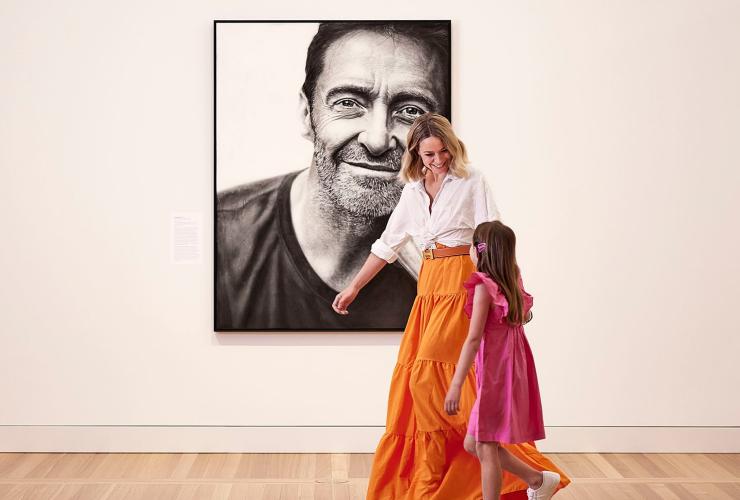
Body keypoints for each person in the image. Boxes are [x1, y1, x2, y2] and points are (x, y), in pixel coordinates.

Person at [333, 113, 569, 499]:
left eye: (443, 151)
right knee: (424, 383)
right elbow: (388, 246)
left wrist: (515, 293)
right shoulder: (410, 192)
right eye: (429, 154)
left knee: (429, 376)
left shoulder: (471, 180)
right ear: (415, 153)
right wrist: (355, 286)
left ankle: (466, 474)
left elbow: (494, 239)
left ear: (452, 148)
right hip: (428, 288)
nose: (438, 160)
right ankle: (533, 478)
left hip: (462, 284)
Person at [216, 21, 450, 330]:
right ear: (306, 115)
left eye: (411, 111)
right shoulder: (222, 236)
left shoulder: (451, 262)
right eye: (348, 103)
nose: (377, 139)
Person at [444, 221, 566, 499]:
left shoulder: (483, 287)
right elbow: (521, 316)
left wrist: (455, 385)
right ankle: (537, 479)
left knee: (485, 446)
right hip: (511, 368)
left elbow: (473, 339)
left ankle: (531, 482)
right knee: (473, 443)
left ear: (478, 250)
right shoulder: (513, 277)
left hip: (496, 373)